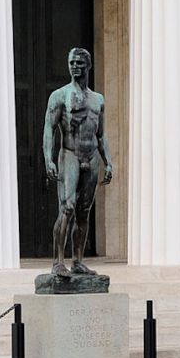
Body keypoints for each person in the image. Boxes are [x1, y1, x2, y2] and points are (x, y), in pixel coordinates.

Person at [43, 47, 114, 275]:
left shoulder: (98, 100)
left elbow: (101, 134)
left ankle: (78, 260)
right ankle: (58, 262)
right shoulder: (60, 95)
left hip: (91, 156)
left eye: (79, 63)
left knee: (84, 211)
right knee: (67, 207)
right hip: (70, 154)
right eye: (71, 62)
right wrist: (48, 159)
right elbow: (49, 129)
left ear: (88, 66)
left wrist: (108, 161)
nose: (74, 66)